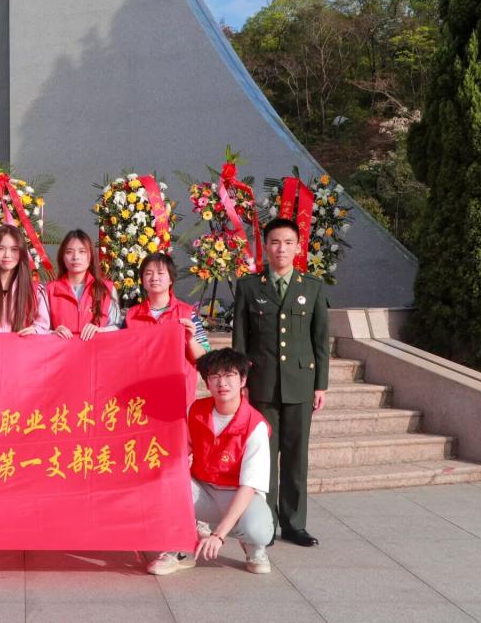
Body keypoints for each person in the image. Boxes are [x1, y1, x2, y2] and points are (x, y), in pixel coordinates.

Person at [232, 217, 329, 547]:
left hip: (301, 383)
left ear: (298, 247)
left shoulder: (312, 287)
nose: (281, 249)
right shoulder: (249, 286)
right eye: (275, 242)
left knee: (296, 457)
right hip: (262, 384)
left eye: (288, 242)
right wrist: (241, 382)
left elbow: (320, 340)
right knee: (264, 458)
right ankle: (266, 524)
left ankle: (294, 524)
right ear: (266, 247)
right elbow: (240, 340)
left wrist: (321, 385)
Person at [148, 348, 274, 576]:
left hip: (237, 494)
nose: (222, 383)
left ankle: (254, 547)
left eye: (229, 375)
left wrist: (218, 536)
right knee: (163, 481)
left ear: (242, 380)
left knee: (258, 530)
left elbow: (249, 486)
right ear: (207, 382)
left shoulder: (256, 426)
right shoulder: (195, 410)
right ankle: (179, 549)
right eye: (214, 376)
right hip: (203, 489)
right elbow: (181, 451)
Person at [125, 252, 209, 362]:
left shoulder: (187, 313)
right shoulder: (131, 315)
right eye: (148, 273)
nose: (154, 278)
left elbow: (205, 359)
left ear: (171, 279)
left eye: (160, 273)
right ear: (142, 281)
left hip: (177, 373)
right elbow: (123, 353)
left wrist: (190, 339)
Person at [47, 229, 122, 340]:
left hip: (97, 349)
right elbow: (40, 328)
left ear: (91, 255)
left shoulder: (107, 288)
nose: (75, 257)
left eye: (82, 251)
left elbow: (118, 326)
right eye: (69, 252)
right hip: (62, 350)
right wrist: (53, 332)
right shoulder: (49, 290)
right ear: (62, 257)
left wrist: (101, 330)